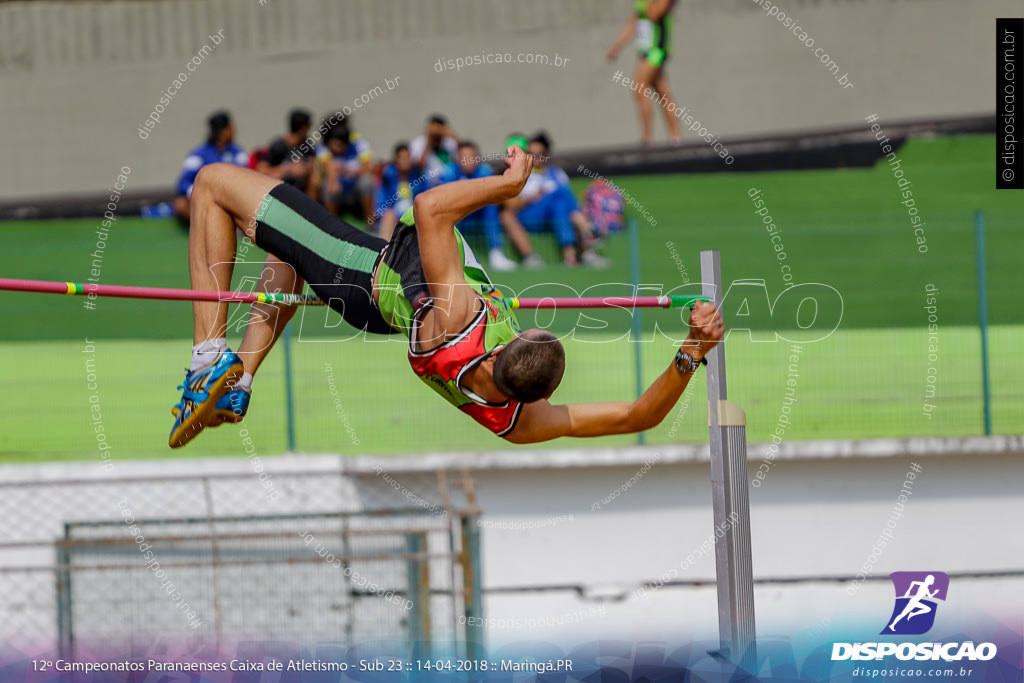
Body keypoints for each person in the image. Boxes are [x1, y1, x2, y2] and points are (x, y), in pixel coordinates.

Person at [168, 145, 724, 448]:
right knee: (283, 251)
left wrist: (508, 186)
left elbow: (432, 207)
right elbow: (637, 417)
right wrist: (692, 351)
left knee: (214, 184)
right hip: (378, 306)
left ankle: (206, 363)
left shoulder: (464, 313)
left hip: (360, 268)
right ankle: (238, 379)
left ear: (509, 344)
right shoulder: (519, 422)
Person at [500, 132, 609, 268]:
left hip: (556, 216)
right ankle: (587, 230)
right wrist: (533, 197)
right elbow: (510, 206)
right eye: (532, 153)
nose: (537, 157)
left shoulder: (557, 173)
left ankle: (569, 255)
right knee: (559, 193)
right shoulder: (519, 174)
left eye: (541, 153)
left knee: (560, 204)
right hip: (530, 217)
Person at [607, 0, 683, 144]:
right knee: (662, 92)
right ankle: (676, 136)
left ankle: (646, 137)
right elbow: (633, 23)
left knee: (638, 88)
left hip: (656, 49)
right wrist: (617, 47)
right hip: (645, 50)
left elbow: (654, 14)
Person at [444, 141, 519, 273]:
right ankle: (449, 256)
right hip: (459, 215)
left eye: (471, 157)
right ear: (457, 159)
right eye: (463, 157)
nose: (467, 161)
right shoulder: (449, 171)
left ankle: (496, 253)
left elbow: (493, 195)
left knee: (491, 206)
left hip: (479, 214)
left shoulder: (485, 171)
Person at [173, 111, 249, 224]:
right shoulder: (198, 154)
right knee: (181, 204)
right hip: (207, 199)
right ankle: (208, 225)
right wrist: (201, 192)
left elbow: (246, 177)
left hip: (232, 198)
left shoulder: (237, 152)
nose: (233, 131)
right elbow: (183, 184)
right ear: (224, 131)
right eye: (230, 128)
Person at [256, 108, 319, 196]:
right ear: (303, 128)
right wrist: (289, 169)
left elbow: (313, 165)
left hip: (301, 187)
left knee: (315, 178)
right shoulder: (279, 146)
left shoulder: (308, 147)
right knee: (276, 175)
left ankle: (311, 207)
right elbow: (261, 169)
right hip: (281, 184)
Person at [321, 127, 376, 222]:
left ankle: (370, 223)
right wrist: (333, 181)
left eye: (338, 145)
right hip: (338, 192)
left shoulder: (358, 146)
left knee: (367, 181)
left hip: (355, 191)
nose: (334, 148)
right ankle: (333, 223)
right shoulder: (325, 149)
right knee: (327, 186)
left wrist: (349, 170)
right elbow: (328, 165)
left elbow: (369, 168)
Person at [373, 142, 426, 241]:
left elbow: (425, 198)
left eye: (407, 157)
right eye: (402, 158)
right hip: (394, 215)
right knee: (388, 216)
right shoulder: (388, 177)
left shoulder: (419, 176)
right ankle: (385, 250)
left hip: (414, 213)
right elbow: (381, 202)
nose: (405, 161)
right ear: (396, 159)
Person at [408, 114, 460, 188]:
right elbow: (418, 168)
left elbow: (464, 154)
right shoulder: (418, 143)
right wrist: (429, 141)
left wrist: (453, 134)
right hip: (425, 185)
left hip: (447, 183)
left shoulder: (449, 142)